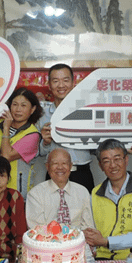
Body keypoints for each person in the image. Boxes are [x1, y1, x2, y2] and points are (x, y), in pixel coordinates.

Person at [0, 87, 42, 200]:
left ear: (32, 109)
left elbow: (6, 156)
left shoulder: (32, 135)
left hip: (15, 193)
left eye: (23, 105)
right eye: (14, 104)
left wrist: (6, 127)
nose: (18, 109)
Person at [38, 63, 95, 193]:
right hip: (54, 174)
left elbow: (96, 146)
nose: (61, 85)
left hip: (81, 173)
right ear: (49, 85)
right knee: (53, 213)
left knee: (84, 212)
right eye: (56, 81)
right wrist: (45, 142)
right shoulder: (43, 115)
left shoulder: (86, 111)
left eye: (65, 80)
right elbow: (38, 152)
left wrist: (124, 145)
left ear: (73, 82)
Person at [26, 148, 94, 229]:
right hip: (47, 240)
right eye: (55, 163)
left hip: (77, 240)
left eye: (64, 163)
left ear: (70, 166)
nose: (60, 167)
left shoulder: (82, 192)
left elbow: (88, 227)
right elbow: (37, 229)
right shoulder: (35, 194)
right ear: (47, 166)